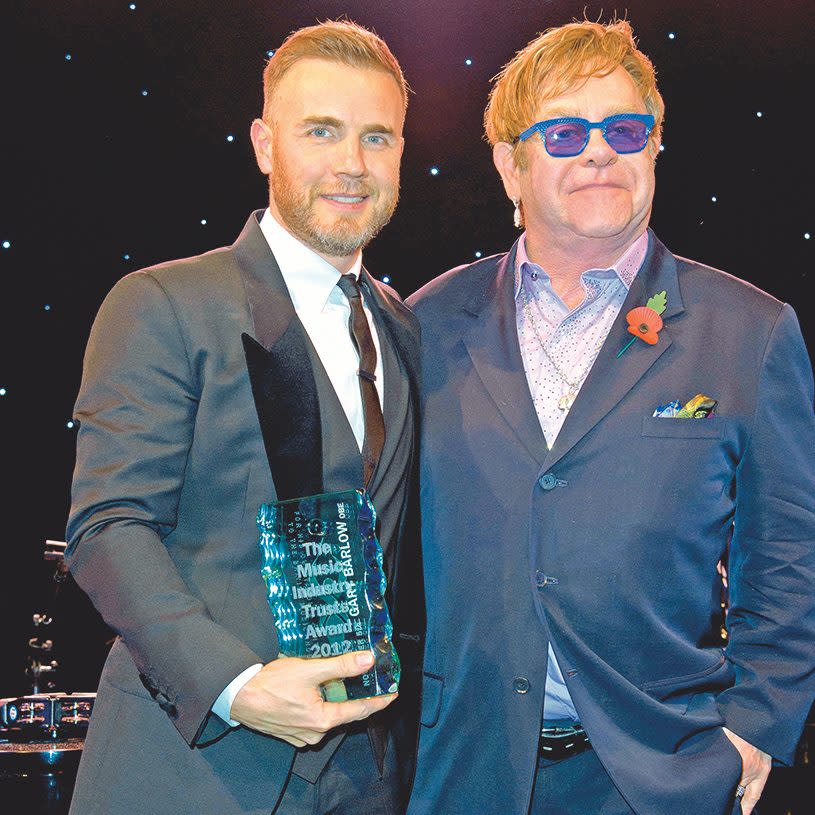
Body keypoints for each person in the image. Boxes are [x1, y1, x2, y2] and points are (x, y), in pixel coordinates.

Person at [406, 19, 815, 815]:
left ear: (654, 146)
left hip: (659, 777)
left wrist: (757, 725)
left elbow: (789, 552)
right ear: (509, 165)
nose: (599, 151)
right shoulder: (424, 324)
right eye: (562, 132)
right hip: (456, 770)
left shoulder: (749, 331)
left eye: (624, 128)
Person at [65, 20, 423, 815]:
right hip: (191, 773)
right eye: (320, 131)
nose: (351, 164)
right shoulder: (163, 303)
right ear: (264, 143)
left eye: (377, 137)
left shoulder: (404, 329)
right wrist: (237, 686)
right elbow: (108, 525)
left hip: (366, 777)